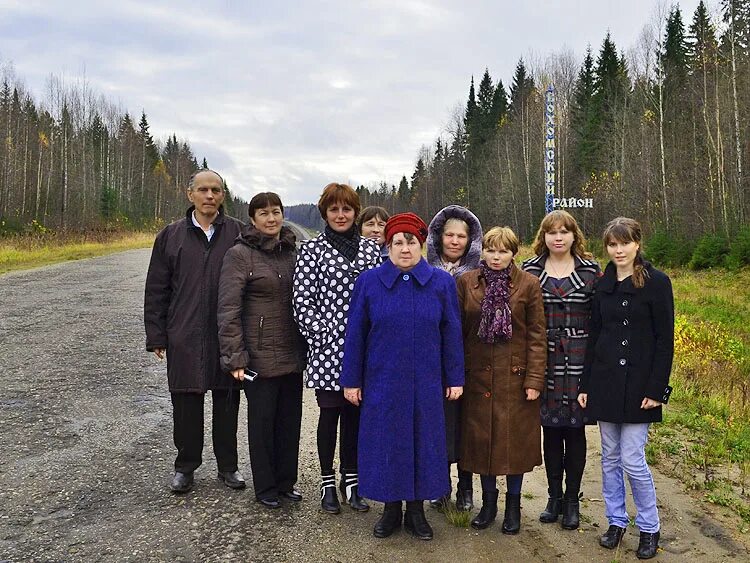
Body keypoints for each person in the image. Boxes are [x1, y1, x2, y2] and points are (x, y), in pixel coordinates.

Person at [341, 212, 465, 541]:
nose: (405, 248)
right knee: (387, 443)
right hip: (382, 381)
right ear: (388, 245)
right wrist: (351, 380)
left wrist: (455, 377)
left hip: (426, 382)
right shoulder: (369, 282)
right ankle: (391, 509)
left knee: (424, 443)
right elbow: (356, 334)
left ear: (421, 244)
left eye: (411, 242)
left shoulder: (441, 283)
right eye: (398, 242)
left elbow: (452, 333)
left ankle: (417, 512)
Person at [578, 217, 674, 560]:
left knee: (633, 458)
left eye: (625, 243)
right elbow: (595, 337)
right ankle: (616, 522)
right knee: (609, 458)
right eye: (612, 244)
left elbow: (665, 342)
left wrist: (657, 388)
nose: (618, 250)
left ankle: (649, 527)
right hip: (604, 382)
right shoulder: (603, 285)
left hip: (640, 387)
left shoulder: (657, 284)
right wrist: (586, 383)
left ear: (637, 243)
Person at [144, 169, 245, 494]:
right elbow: (157, 288)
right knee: (186, 405)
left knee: (227, 404)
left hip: (226, 336)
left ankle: (228, 467)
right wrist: (157, 334)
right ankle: (185, 467)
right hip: (184, 334)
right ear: (190, 195)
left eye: (216, 189)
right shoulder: (171, 236)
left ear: (222, 196)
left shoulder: (237, 234)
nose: (209, 196)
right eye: (203, 190)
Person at [293, 183, 382, 514]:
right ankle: (327, 483)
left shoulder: (372, 252)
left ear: (356, 212)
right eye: (334, 209)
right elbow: (302, 301)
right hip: (328, 351)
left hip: (366, 351)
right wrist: (322, 335)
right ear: (325, 213)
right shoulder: (312, 250)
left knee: (355, 418)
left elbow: (381, 297)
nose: (341, 215)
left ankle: (352, 481)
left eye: (347, 209)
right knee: (330, 416)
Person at [217, 192, 306, 509]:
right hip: (258, 358)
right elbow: (228, 309)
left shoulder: (292, 252)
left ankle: (286, 483)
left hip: (292, 355)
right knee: (262, 424)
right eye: (264, 213)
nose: (272, 218)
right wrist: (235, 356)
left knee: (289, 422)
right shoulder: (240, 255)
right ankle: (266, 487)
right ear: (252, 218)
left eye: (277, 212)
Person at [457, 227, 546, 534]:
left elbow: (536, 336)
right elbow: (456, 333)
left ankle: (513, 508)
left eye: (503, 251)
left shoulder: (529, 284)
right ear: (482, 251)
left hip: (515, 380)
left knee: (513, 446)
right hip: (477, 379)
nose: (496, 257)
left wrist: (534, 379)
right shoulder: (467, 282)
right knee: (483, 443)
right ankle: (488, 505)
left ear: (513, 253)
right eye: (491, 250)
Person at [521, 210, 601, 529]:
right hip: (544, 357)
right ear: (544, 236)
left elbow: (600, 321)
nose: (558, 237)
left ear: (573, 235)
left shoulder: (591, 271)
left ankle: (572, 501)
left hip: (580, 358)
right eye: (552, 231)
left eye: (564, 231)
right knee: (550, 429)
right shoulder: (529, 270)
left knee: (575, 430)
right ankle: (553, 497)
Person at [426, 205, 483, 511]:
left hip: (470, 361)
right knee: (439, 426)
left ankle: (466, 487)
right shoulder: (424, 272)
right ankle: (439, 485)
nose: (455, 241)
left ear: (471, 239)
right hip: (433, 363)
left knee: (466, 427)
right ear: (439, 236)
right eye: (449, 234)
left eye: (462, 235)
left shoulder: (479, 274)